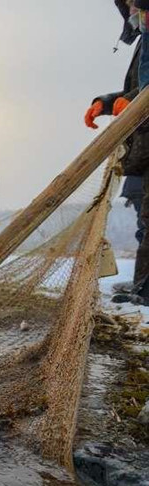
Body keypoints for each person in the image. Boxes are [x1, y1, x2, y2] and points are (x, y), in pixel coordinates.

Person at [89, 1, 149, 303]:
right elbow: (138, 91)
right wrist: (107, 103)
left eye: (135, 5)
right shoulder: (144, 44)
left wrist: (134, 103)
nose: (132, 12)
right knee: (145, 223)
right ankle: (142, 287)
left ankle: (145, 290)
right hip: (142, 148)